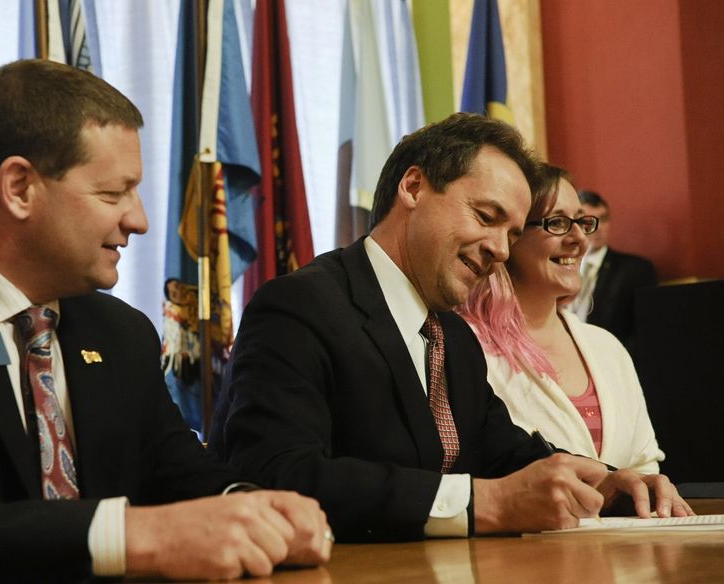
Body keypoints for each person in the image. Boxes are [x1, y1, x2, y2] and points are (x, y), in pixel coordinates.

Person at [0, 59, 331, 584]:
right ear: (19, 188)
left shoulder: (120, 332)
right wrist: (131, 536)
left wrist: (256, 508)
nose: (139, 220)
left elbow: (176, 470)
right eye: (112, 194)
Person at [209, 113, 690, 543]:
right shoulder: (300, 305)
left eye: (513, 233)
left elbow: (508, 454)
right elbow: (277, 475)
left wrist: (604, 483)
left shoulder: (454, 338)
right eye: (487, 217)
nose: (501, 250)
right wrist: (486, 503)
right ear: (414, 188)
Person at [458, 164, 664, 472]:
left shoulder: (607, 347)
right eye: (557, 223)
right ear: (509, 237)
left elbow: (644, 463)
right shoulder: (466, 347)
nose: (579, 238)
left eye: (582, 222)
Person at [568, 190, 657, 353]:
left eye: (603, 219)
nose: (598, 228)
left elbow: (644, 330)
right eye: (588, 221)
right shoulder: (562, 266)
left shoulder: (636, 269)